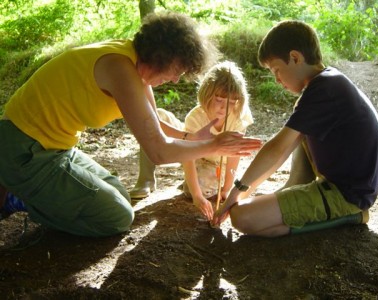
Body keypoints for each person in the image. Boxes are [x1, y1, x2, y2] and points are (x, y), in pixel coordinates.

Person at [0, 12, 261, 237]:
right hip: (25, 149)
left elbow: (155, 122)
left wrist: (191, 136)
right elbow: (158, 152)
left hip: (55, 148)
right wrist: (213, 145)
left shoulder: (132, 65)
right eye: (177, 70)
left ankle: (34, 192)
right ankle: (19, 196)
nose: (174, 79)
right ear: (165, 57)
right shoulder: (119, 69)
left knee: (120, 197)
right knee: (116, 217)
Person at [213, 20, 378, 237]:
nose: (276, 79)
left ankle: (351, 216)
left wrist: (235, 194)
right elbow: (284, 150)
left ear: (295, 57)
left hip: (347, 196)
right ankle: (295, 197)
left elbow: (278, 147)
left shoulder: (324, 88)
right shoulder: (327, 83)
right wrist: (244, 193)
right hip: (348, 188)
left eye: (276, 70)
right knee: (257, 216)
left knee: (242, 217)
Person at [130, 61, 254, 220]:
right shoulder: (196, 117)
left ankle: (196, 182)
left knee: (200, 186)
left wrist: (226, 188)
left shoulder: (237, 117)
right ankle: (145, 181)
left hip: (214, 162)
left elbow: (233, 154)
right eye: (219, 100)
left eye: (231, 102)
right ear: (207, 94)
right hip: (192, 151)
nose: (225, 108)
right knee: (154, 119)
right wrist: (196, 196)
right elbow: (188, 155)